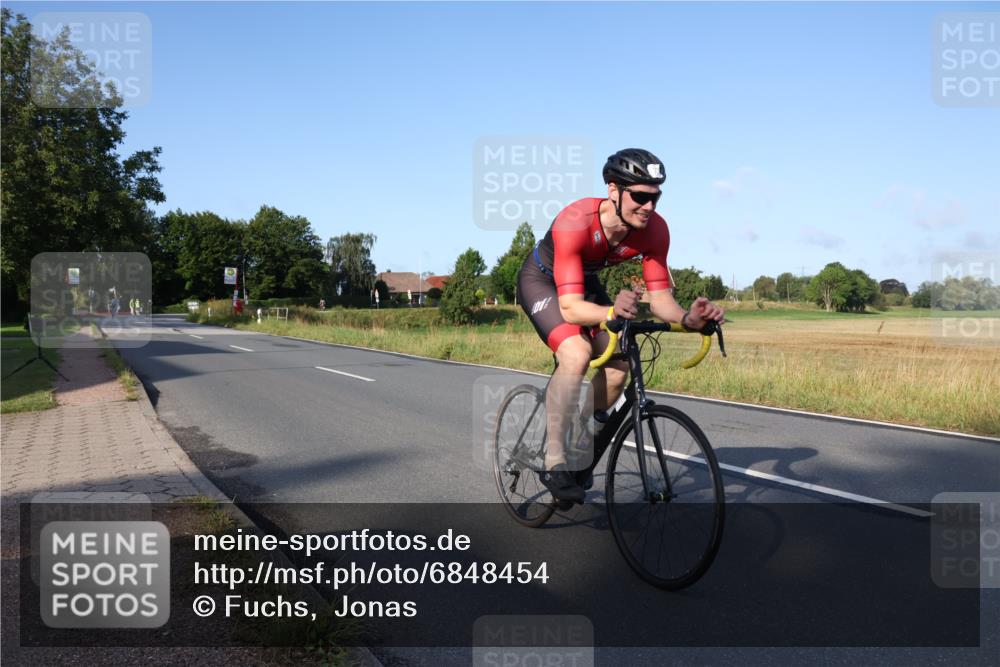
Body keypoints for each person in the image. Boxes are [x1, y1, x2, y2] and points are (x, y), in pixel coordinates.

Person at [517, 148, 725, 503]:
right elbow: (569, 308)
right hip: (544, 281)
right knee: (577, 351)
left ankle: (578, 433)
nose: (649, 207)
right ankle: (554, 461)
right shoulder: (576, 220)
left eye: (655, 198)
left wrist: (690, 320)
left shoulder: (655, 231)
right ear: (613, 191)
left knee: (619, 366)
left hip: (584, 283)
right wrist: (611, 310)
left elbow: (661, 302)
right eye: (640, 197)